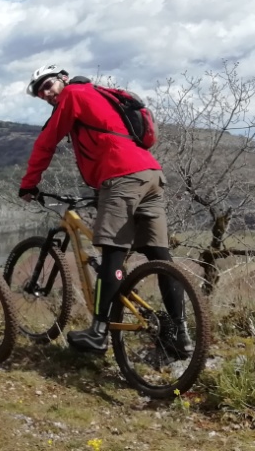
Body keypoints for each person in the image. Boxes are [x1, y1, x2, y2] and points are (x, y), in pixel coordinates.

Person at [18, 64, 190, 356]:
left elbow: (46, 142)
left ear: (63, 78)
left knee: (113, 254)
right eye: (39, 93)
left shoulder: (73, 94)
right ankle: (181, 335)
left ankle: (98, 333)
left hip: (122, 178)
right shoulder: (100, 94)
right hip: (150, 174)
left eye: (47, 86)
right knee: (160, 256)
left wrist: (29, 185)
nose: (45, 94)